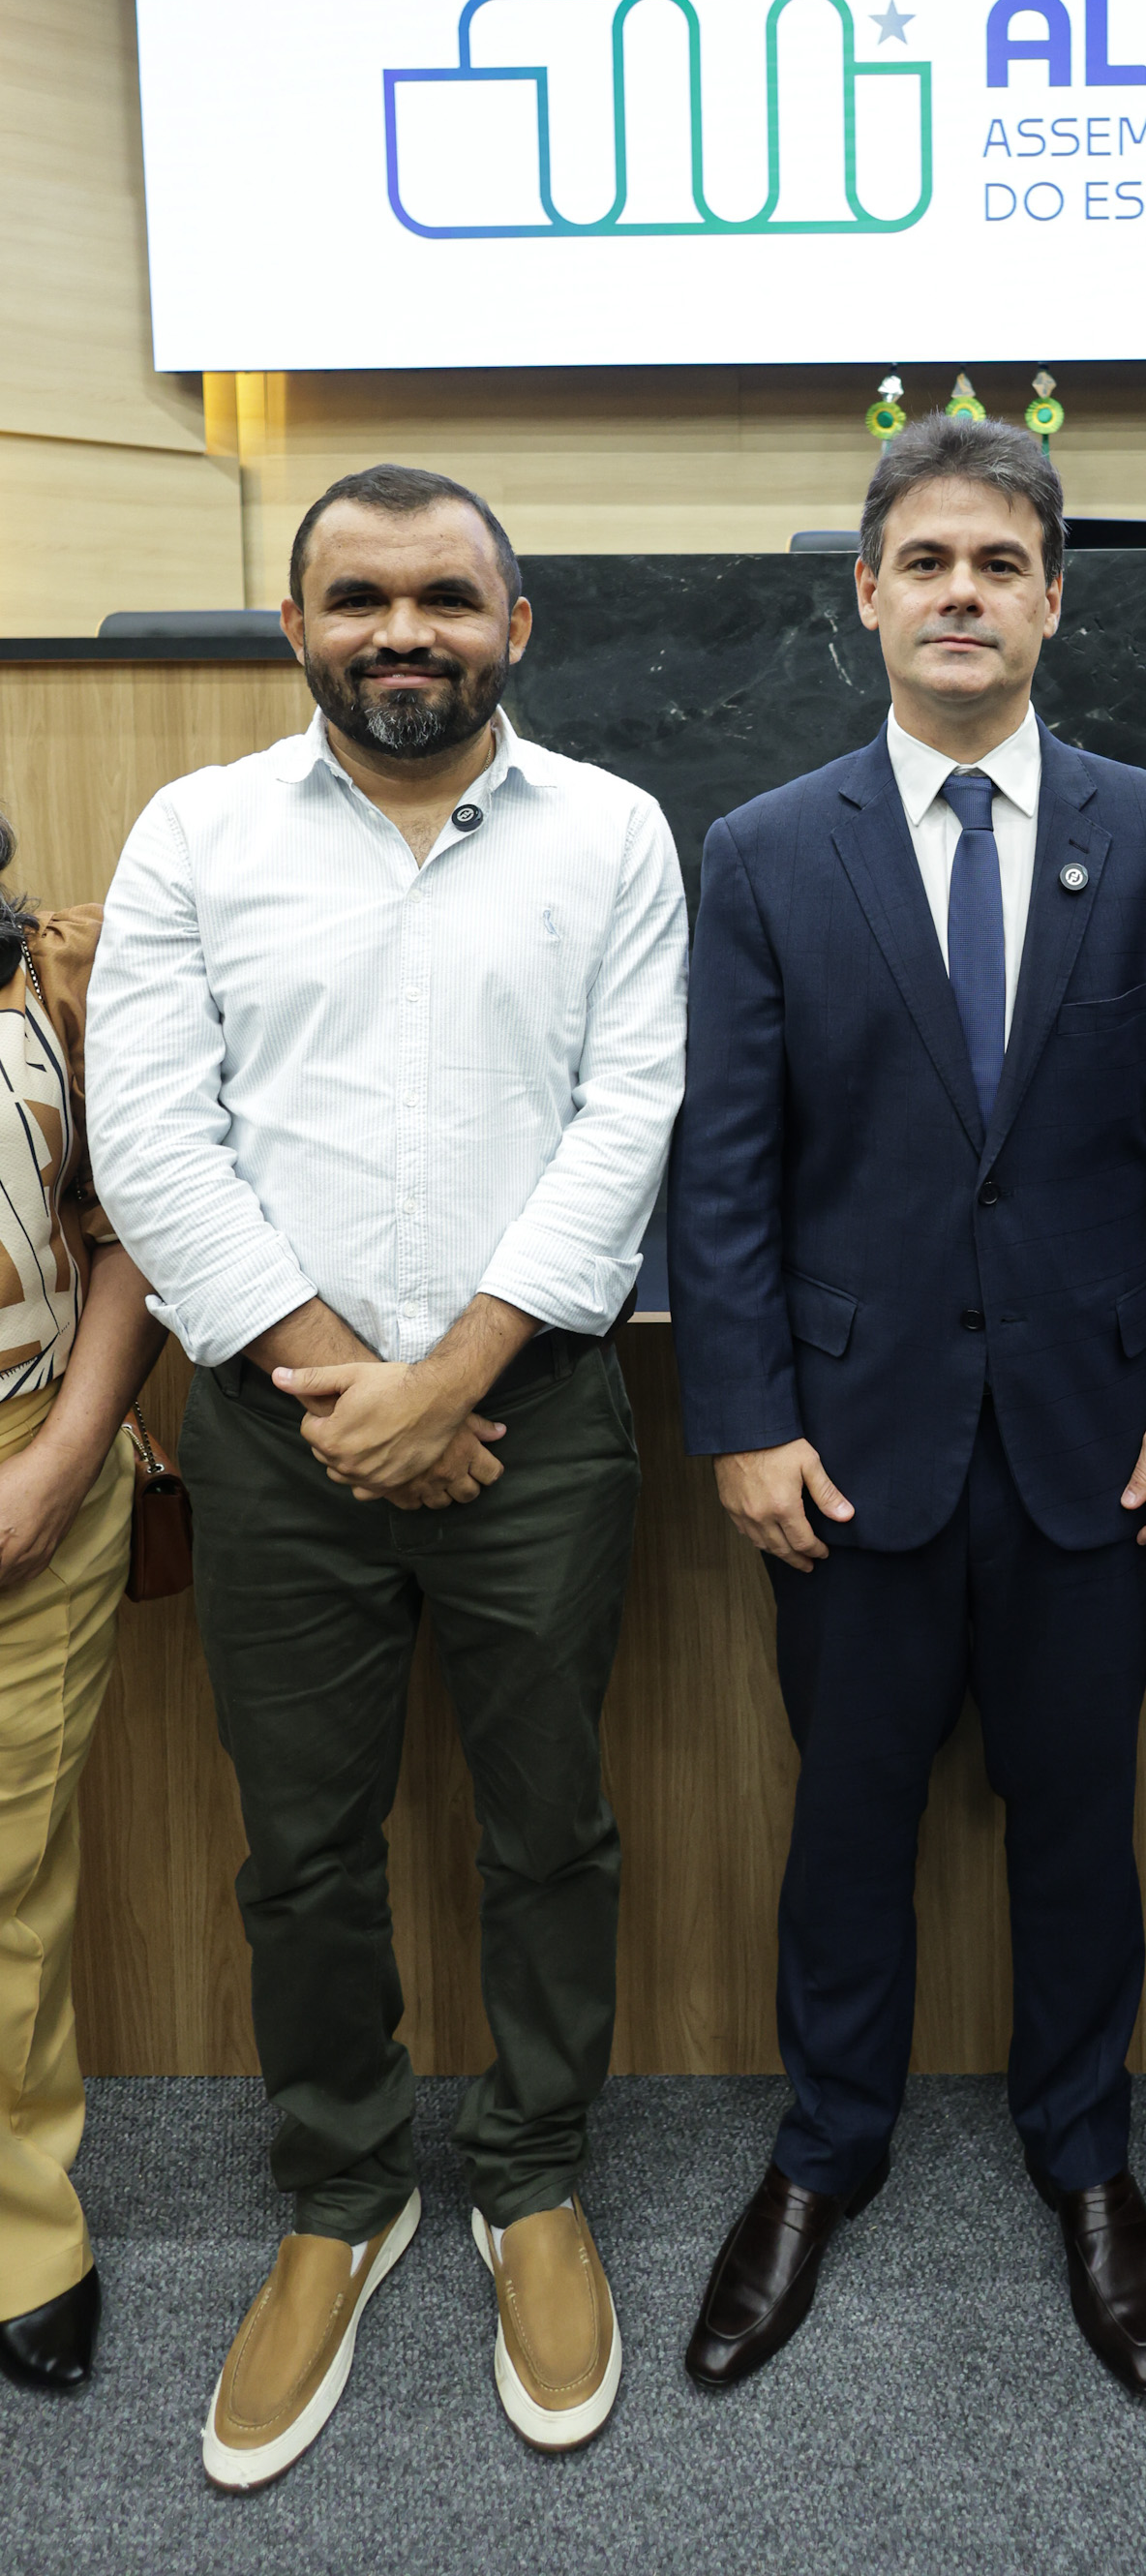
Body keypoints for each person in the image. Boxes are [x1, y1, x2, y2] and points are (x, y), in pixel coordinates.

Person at [85, 464, 687, 2487]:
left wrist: (454, 1383)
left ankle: (531, 2176)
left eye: (444, 596)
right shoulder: (196, 834)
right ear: (295, 626)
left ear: (517, 624)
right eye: (358, 597)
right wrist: (359, 1388)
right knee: (302, 1846)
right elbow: (151, 1134)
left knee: (551, 1827)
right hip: (279, 1436)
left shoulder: (611, 832)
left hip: (539, 1422)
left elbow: (628, 1118)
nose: (401, 631)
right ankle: (340, 2196)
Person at [669, 410, 1146, 2400]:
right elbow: (727, 1173)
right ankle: (823, 2153)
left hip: (1100, 1447)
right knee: (845, 1826)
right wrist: (743, 1419)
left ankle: (1084, 2157)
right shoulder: (766, 852)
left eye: (997, 564)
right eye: (923, 561)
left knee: (1078, 1827)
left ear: (1052, 603)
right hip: (844, 1452)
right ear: (865, 595)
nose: (959, 593)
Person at [0, 847, 166, 2396]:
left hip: (24, 1475)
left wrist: (58, 1465)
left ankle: (21, 2235)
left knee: (5, 1885)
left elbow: (131, 1227)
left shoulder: (61, 977)